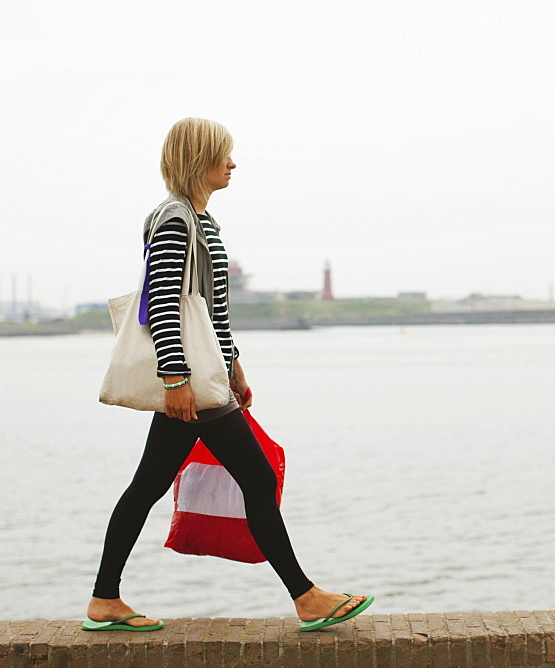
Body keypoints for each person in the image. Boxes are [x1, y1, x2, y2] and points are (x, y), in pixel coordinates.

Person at [85, 117, 373, 633]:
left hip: (206, 375)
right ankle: (307, 597)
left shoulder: (204, 221)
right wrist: (176, 381)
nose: (233, 164)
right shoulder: (174, 219)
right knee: (256, 477)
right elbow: (164, 306)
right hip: (189, 380)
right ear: (201, 159)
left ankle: (105, 599)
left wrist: (234, 364)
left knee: (147, 485)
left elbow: (213, 312)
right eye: (225, 155)